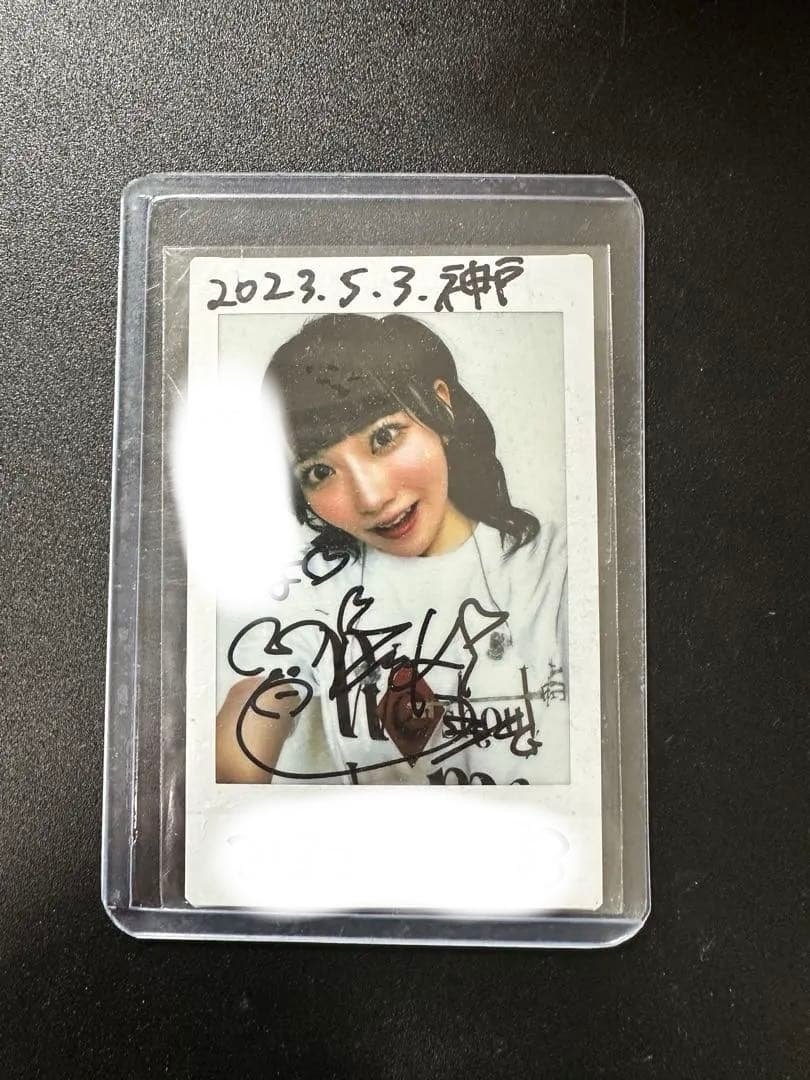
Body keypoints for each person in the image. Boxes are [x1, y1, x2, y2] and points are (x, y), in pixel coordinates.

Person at [216, 314, 569, 786]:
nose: (371, 497)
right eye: (320, 472)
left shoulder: (555, 567)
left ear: (440, 407)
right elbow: (250, 712)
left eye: (384, 437)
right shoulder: (316, 592)